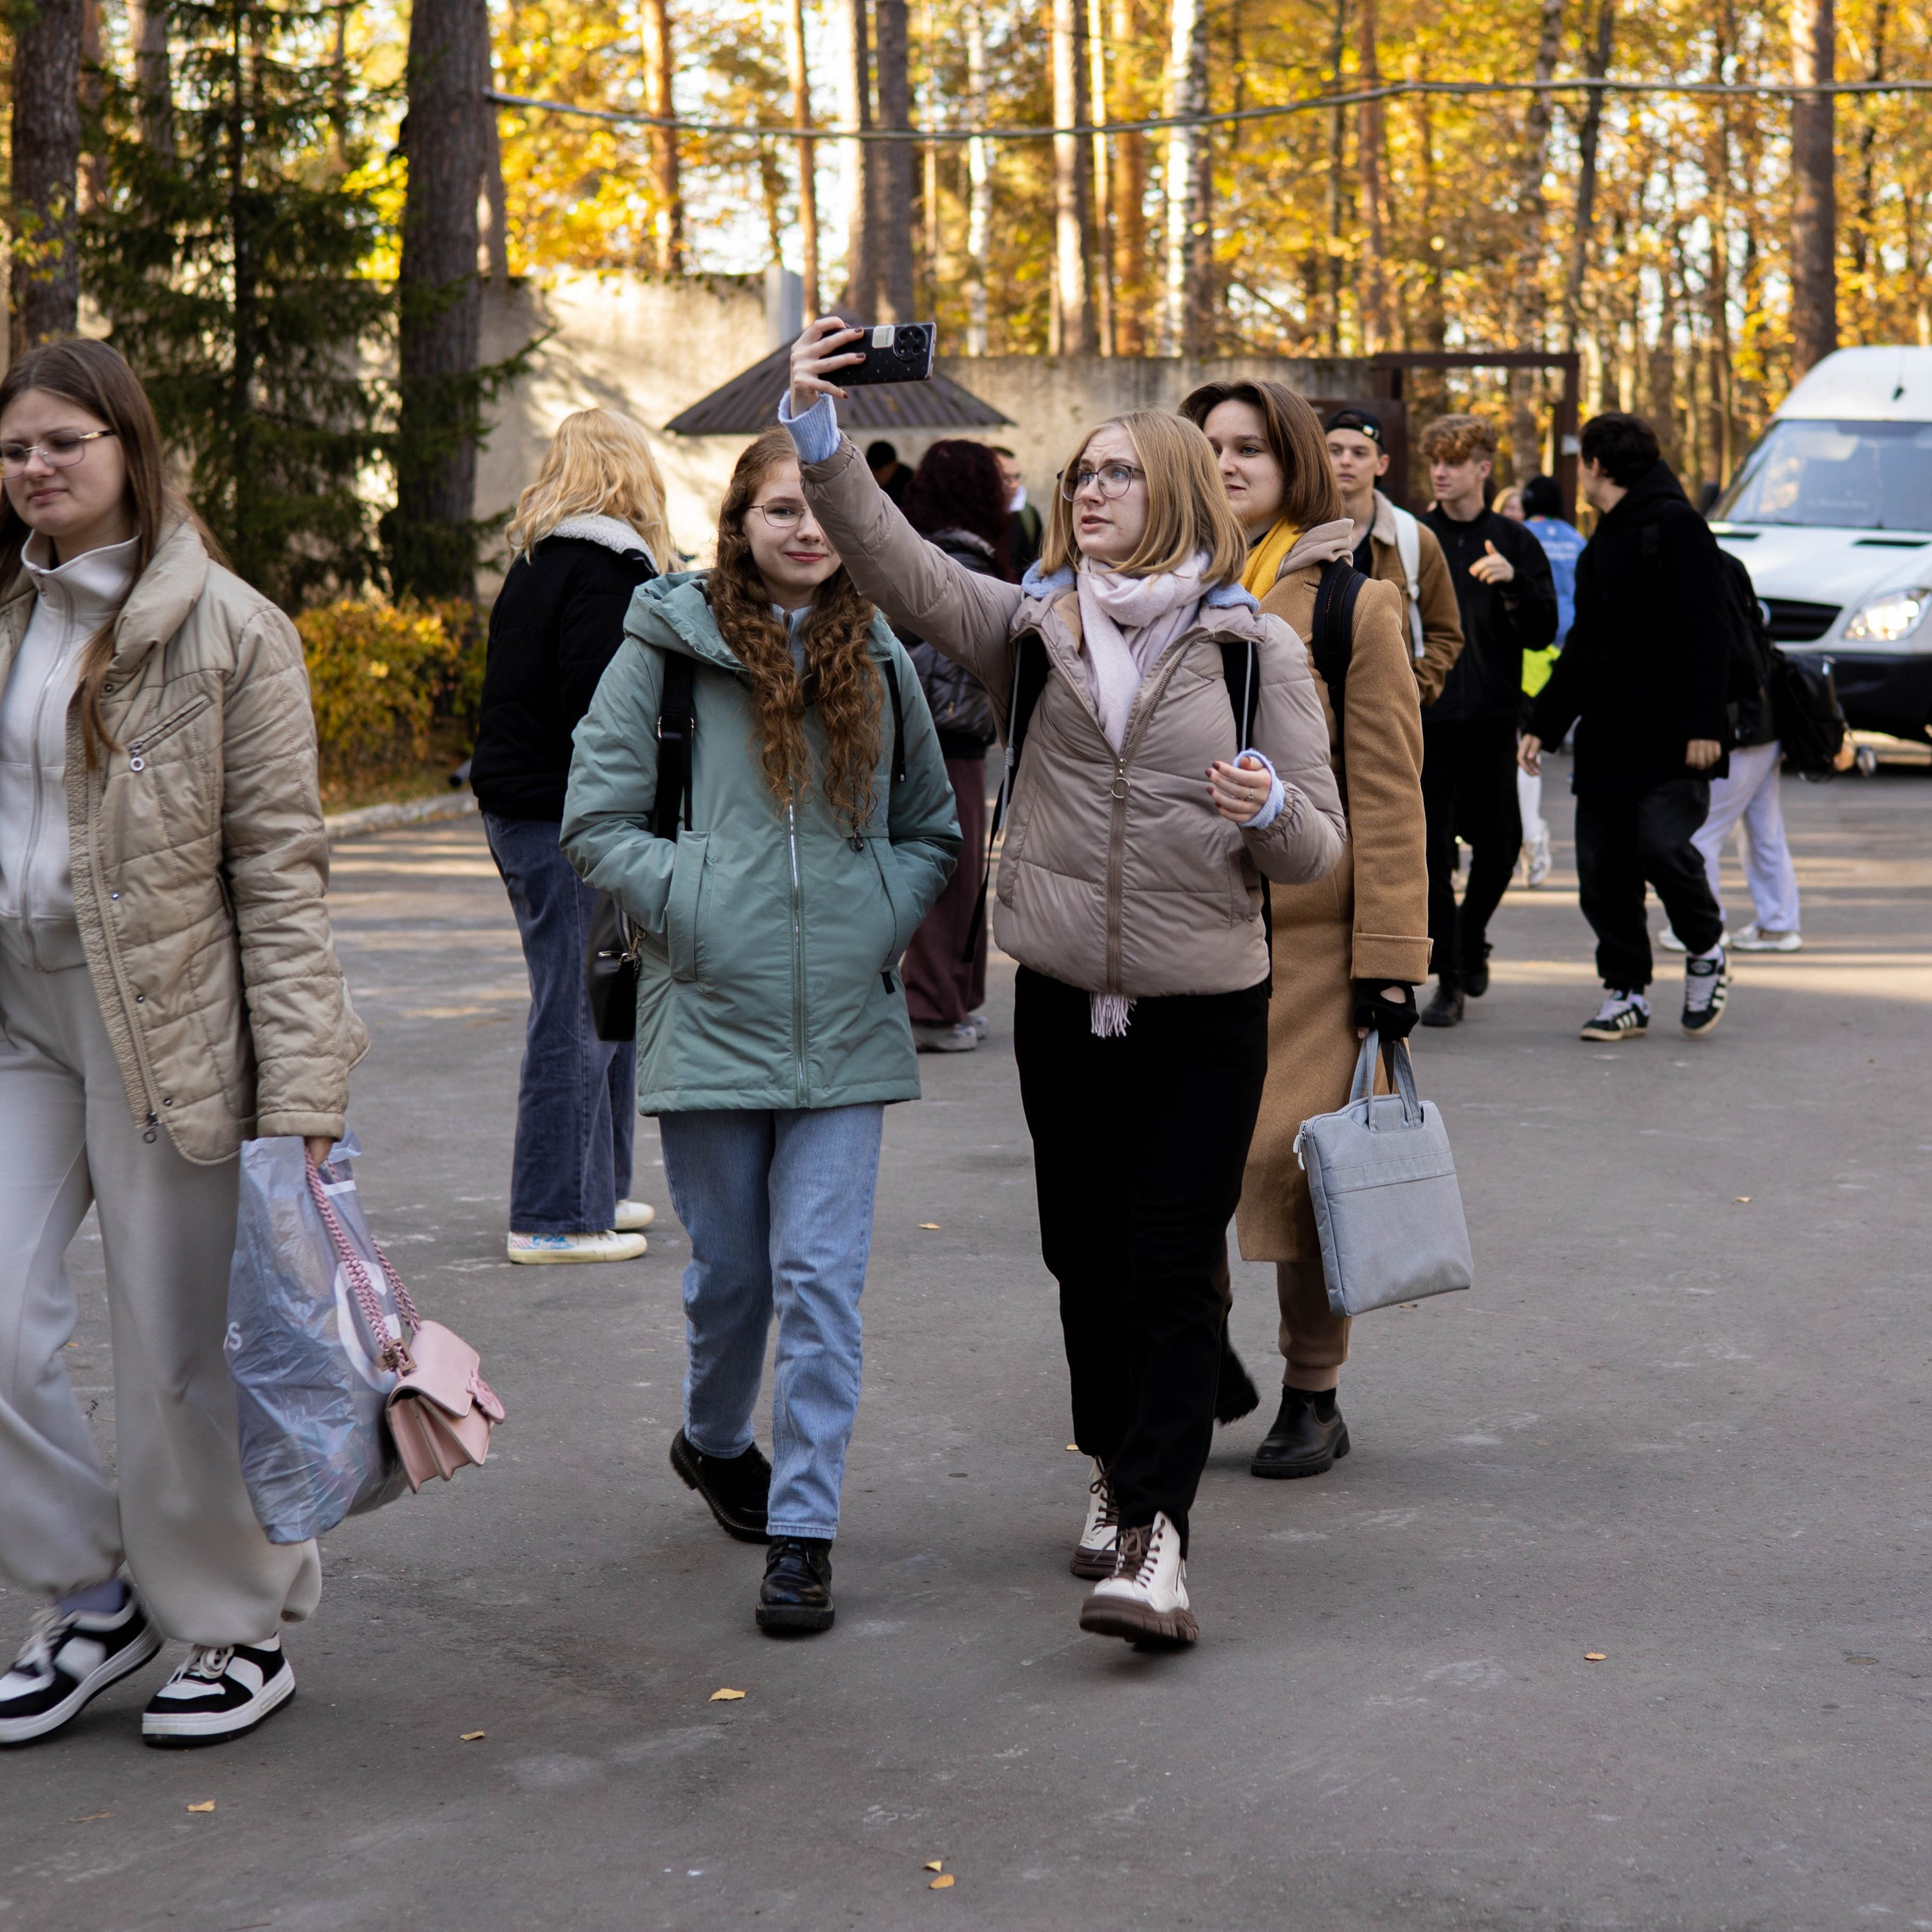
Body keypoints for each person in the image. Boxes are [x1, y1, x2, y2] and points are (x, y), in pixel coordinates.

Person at [785, 318, 1346, 1649]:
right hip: (1061, 1005)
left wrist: (1267, 807)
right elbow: (898, 566)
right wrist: (820, 433)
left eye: (1117, 474)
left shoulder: (1255, 650)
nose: (1087, 490)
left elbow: (1320, 845)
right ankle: (1115, 1458)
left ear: (1178, 497)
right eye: (1079, 473)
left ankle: (1157, 1539)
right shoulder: (1028, 631)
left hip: (1207, 1005)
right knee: (1082, 1259)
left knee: (1166, 1266)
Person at [0, 338, 365, 1747]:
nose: (35, 468)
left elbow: (280, 870)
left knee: (173, 1349)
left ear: (128, 453)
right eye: (17, 448)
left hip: (165, 1018)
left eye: (63, 444)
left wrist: (305, 1075)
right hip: (18, 1012)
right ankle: (97, 1590)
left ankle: (230, 1623)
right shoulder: (9, 615)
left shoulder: (229, 630)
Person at [561, 427, 960, 1636]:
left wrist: (870, 919)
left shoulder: (879, 650)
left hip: (843, 1021)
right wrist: (696, 905)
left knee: (820, 1282)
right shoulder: (664, 647)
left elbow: (931, 826)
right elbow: (595, 818)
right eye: (778, 509)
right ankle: (713, 1437)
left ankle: (803, 1532)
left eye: (821, 508)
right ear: (737, 525)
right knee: (732, 1278)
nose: (805, 528)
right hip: (711, 1009)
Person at [1183, 380, 1430, 1481]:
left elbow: (1389, 796)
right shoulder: (1146, 589)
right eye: (1208, 447)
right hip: (1176, 935)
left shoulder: (1351, 603)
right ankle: (1198, 1359)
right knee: (1183, 1171)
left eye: (1249, 448)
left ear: (1290, 463)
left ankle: (1311, 1389)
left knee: (1297, 1173)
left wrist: (1390, 963)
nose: (1228, 464)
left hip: (1313, 945)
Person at [470, 410, 669, 1263]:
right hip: (569, 816)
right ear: (633, 472)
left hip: (537, 809)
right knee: (577, 1012)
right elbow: (603, 711)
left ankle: (598, 1188)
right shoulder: (605, 571)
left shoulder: (542, 561)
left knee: (605, 998)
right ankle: (553, 1214)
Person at [1520, 412, 1734, 1041]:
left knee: (1663, 847)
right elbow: (1585, 646)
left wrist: (1705, 725)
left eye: (1580, 461)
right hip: (1609, 738)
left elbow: (1708, 631)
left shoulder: (1678, 526)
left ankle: (1705, 946)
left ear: (1595, 465)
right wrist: (1545, 722)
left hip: (1673, 738)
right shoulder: (1605, 539)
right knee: (1603, 871)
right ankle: (1625, 992)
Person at [1415, 415, 1558, 1027]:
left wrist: (1514, 584)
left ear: (1482, 468)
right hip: (1427, 720)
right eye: (1434, 462)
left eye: (1454, 461)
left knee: (1500, 849)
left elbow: (1544, 632)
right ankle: (1450, 978)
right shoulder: (1413, 536)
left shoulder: (1514, 540)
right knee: (1429, 854)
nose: (1442, 472)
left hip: (1494, 718)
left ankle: (1468, 941)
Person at [895, 440, 1009, 1052]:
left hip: (934, 735)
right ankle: (937, 1007)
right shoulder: (967, 562)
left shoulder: (920, 557)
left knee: (958, 874)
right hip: (950, 736)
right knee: (950, 873)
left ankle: (951, 1001)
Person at [1323, 407, 1464, 705]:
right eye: (1335, 450)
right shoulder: (1295, 534)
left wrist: (1412, 690)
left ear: (1382, 464)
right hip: (1312, 710)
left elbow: (1445, 631)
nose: (1346, 460)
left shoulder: (1414, 538)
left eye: (1360, 453)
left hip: (1386, 714)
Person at [1518, 473, 1586, 888]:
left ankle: (1530, 832)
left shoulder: (1522, 535)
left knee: (1526, 745)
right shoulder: (1577, 539)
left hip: (1532, 654)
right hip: (1572, 648)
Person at [993, 446, 1044, 576]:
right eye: (1005, 478)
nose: (1014, 484)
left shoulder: (1028, 516)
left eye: (1016, 477)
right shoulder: (970, 521)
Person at [866, 438, 912, 508]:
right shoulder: (866, 483)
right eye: (872, 470)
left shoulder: (910, 486)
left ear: (893, 466)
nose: (876, 475)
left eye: (880, 470)